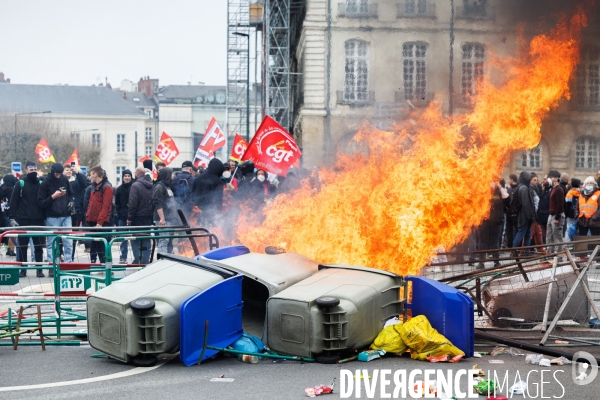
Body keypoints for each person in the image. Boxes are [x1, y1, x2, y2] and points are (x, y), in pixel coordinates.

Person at [9, 162, 45, 277]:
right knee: (22, 246)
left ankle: (39, 270)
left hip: (38, 220)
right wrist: (12, 217)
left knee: (38, 246)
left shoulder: (40, 183)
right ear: (26, 171)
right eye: (31, 169)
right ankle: (23, 269)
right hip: (23, 219)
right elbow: (13, 201)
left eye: (35, 169)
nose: (33, 171)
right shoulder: (20, 183)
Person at [38, 163, 75, 274]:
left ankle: (68, 264)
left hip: (66, 215)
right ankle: (52, 266)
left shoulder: (64, 179)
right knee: (52, 243)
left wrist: (71, 201)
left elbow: (71, 194)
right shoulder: (45, 183)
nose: (58, 176)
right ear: (53, 172)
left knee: (68, 241)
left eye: (60, 174)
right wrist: (52, 197)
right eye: (56, 174)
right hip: (52, 216)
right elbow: (40, 202)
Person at [476, 181, 509, 269]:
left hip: (497, 221)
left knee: (495, 241)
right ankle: (481, 262)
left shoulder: (500, 192)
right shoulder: (483, 191)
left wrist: (500, 187)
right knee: (483, 241)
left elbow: (507, 199)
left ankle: (496, 262)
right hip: (484, 221)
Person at [85, 167, 113, 263]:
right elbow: (91, 203)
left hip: (101, 222)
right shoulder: (94, 186)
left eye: (91, 174)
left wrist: (100, 222)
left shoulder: (106, 187)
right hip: (93, 220)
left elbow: (106, 206)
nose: (90, 176)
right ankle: (103, 265)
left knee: (103, 246)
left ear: (95, 175)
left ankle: (107, 268)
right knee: (97, 245)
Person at [127, 167, 153, 264]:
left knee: (135, 239)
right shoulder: (151, 185)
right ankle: (146, 260)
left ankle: (137, 259)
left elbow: (132, 203)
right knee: (146, 238)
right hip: (148, 217)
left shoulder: (136, 185)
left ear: (137, 174)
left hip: (137, 217)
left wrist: (129, 218)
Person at [152, 167, 180, 253]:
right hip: (163, 220)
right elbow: (157, 203)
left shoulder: (167, 186)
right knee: (163, 241)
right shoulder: (160, 187)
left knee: (167, 241)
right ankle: (161, 259)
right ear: (167, 175)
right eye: (172, 173)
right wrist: (162, 218)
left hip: (169, 218)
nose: (173, 175)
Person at [191, 158, 225, 226]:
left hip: (197, 210)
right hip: (211, 212)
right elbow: (218, 199)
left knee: (198, 230)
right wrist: (218, 212)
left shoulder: (198, 178)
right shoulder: (218, 181)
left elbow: (192, 194)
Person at [512, 171, 536, 252]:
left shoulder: (523, 187)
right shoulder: (524, 188)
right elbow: (526, 204)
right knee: (521, 233)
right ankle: (514, 251)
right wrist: (530, 216)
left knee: (527, 234)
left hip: (525, 215)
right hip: (524, 216)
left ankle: (526, 252)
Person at [115, 169, 133, 263]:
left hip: (133, 217)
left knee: (134, 238)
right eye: (125, 176)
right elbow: (117, 203)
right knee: (123, 238)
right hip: (122, 217)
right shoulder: (119, 189)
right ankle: (123, 257)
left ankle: (137, 257)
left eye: (128, 176)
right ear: (123, 177)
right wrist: (119, 213)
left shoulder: (134, 187)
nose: (127, 178)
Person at [546, 170, 565, 254]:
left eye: (551, 177)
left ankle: (559, 253)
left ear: (556, 178)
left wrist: (557, 217)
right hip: (551, 214)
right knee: (549, 235)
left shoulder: (559, 189)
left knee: (557, 235)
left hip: (557, 215)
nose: (550, 179)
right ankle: (550, 252)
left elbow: (560, 205)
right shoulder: (553, 189)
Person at [0, 174, 17, 256]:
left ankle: (6, 248)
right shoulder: (13, 189)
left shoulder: (1, 188)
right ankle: (11, 250)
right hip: (10, 213)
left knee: (2, 232)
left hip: (2, 212)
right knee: (11, 232)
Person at [504, 174, 519, 249]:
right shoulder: (509, 189)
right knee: (509, 231)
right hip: (509, 214)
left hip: (515, 214)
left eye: (509, 179)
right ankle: (510, 247)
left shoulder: (518, 189)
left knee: (516, 230)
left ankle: (515, 247)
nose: (508, 181)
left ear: (512, 179)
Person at [537, 176, 551, 243]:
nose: (543, 181)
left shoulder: (549, 191)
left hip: (547, 214)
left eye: (545, 179)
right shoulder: (543, 190)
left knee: (547, 233)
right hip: (542, 215)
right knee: (544, 232)